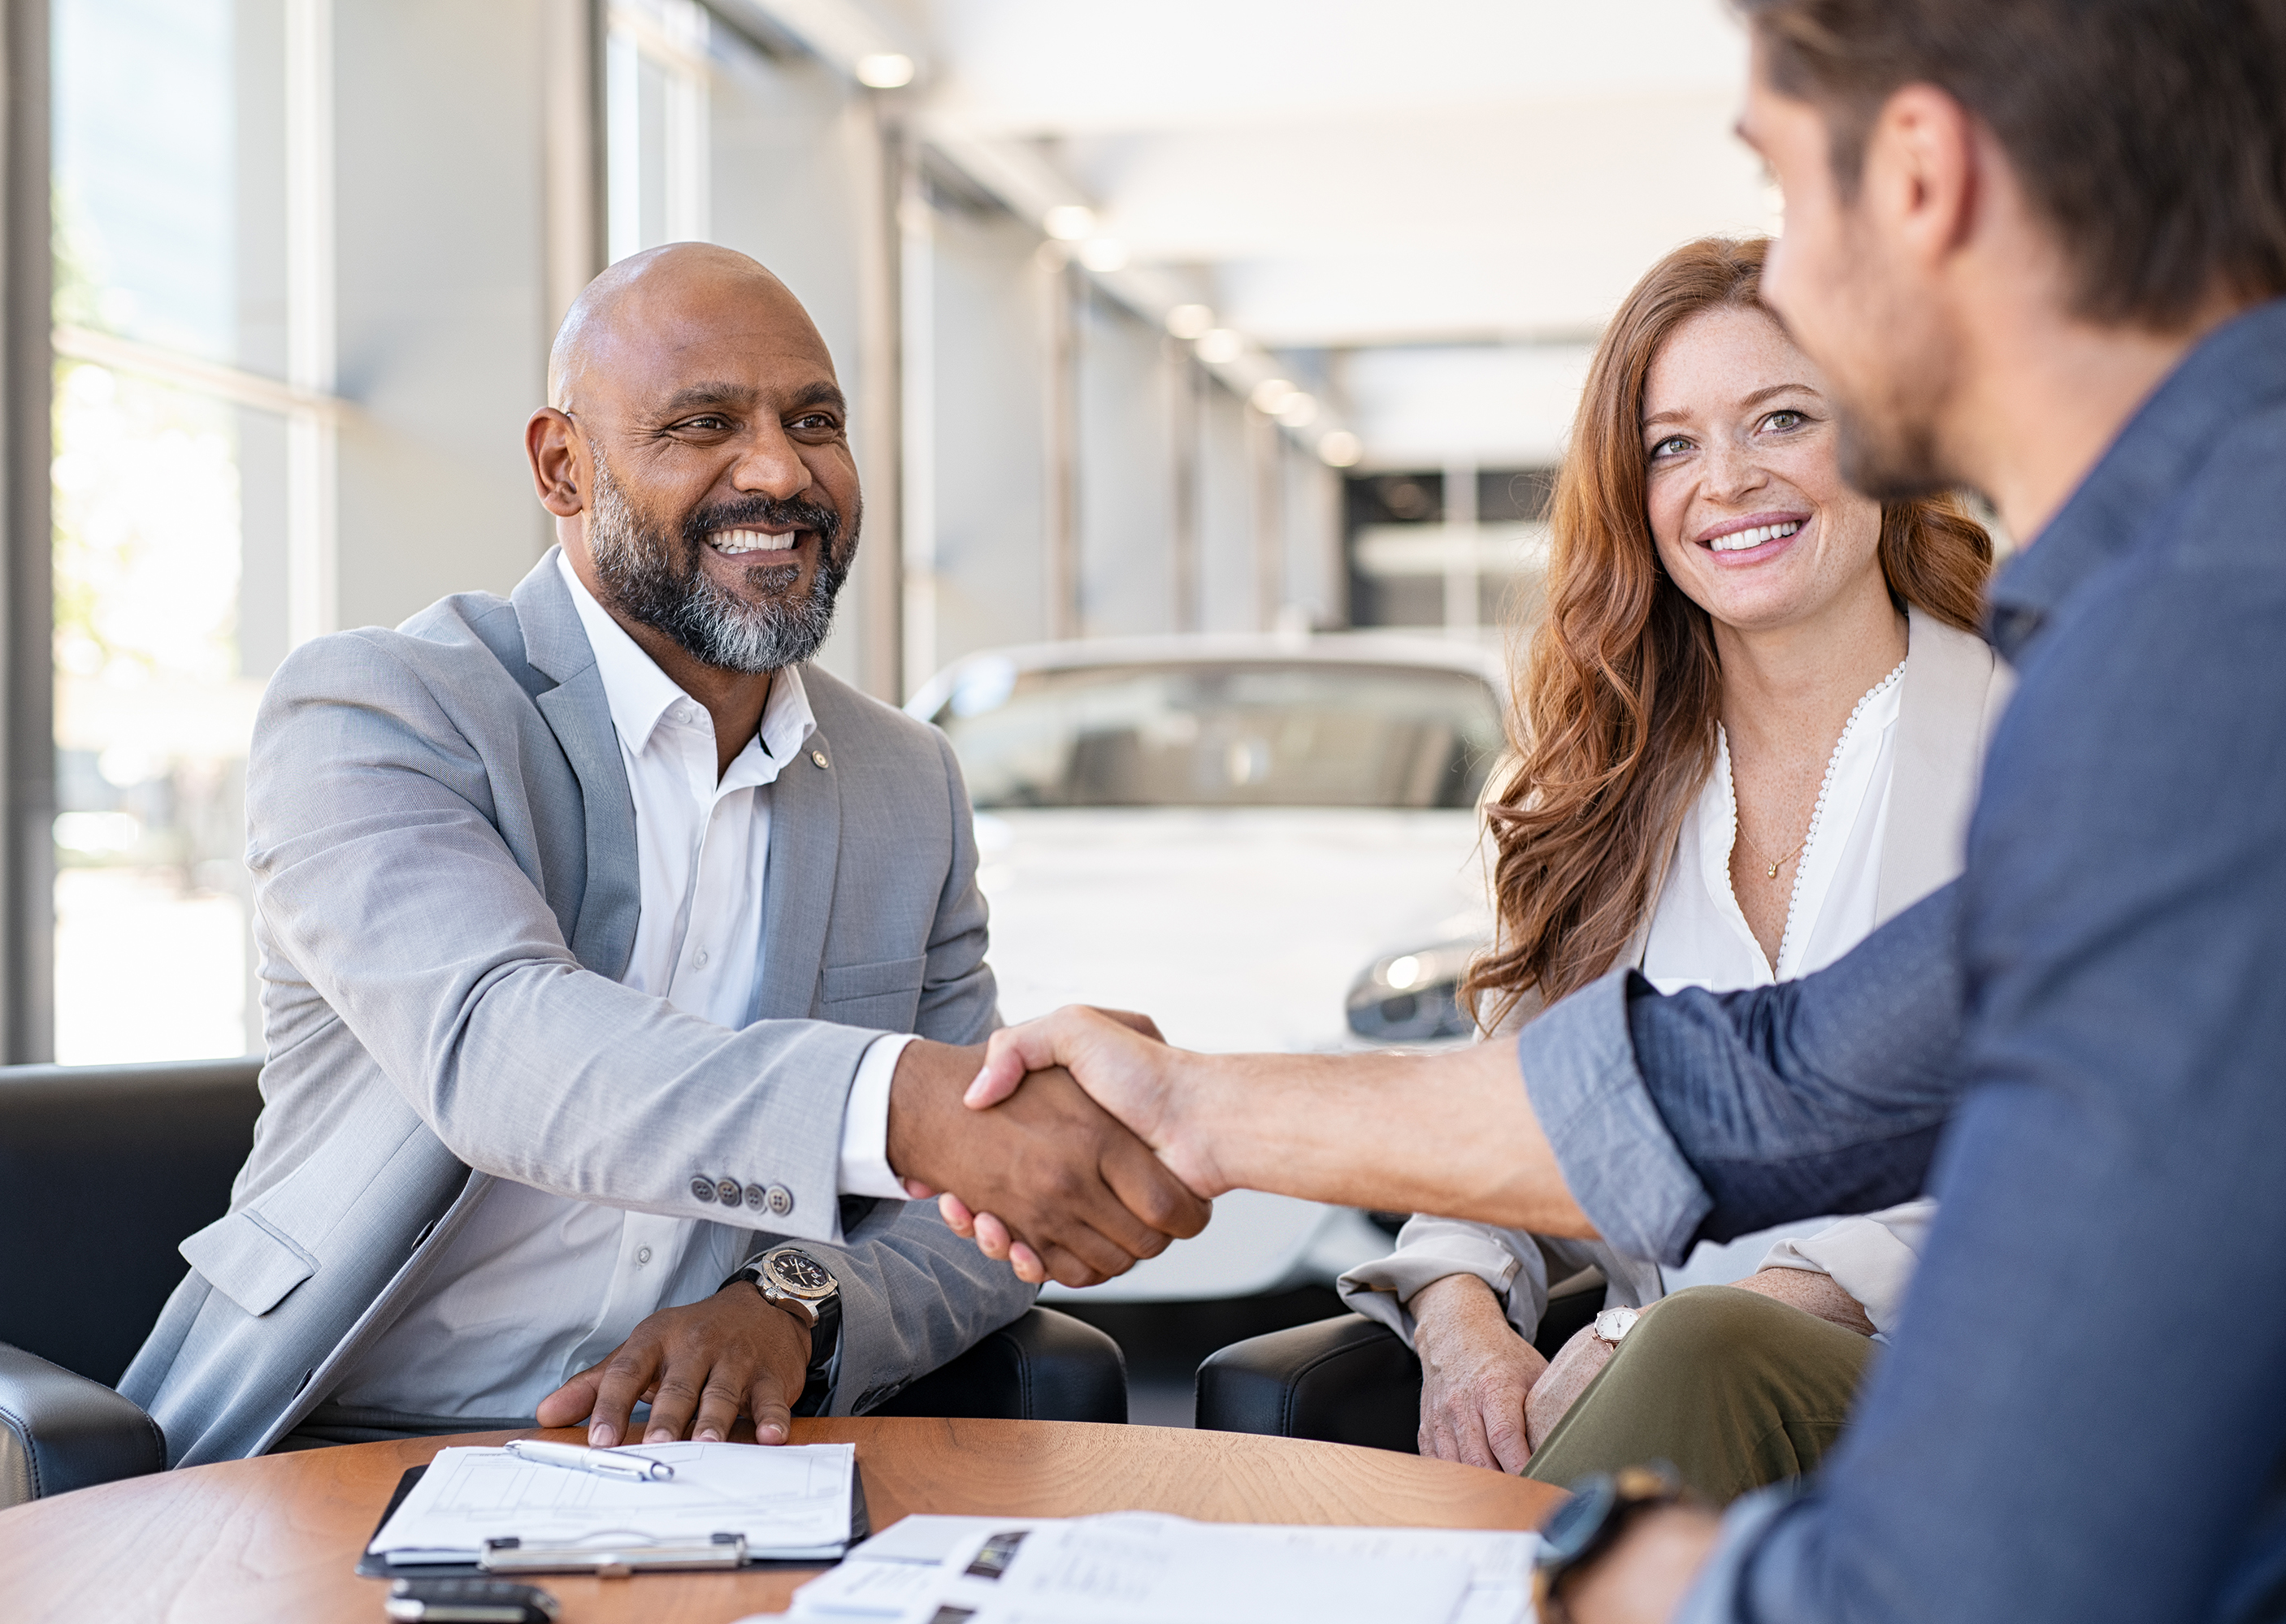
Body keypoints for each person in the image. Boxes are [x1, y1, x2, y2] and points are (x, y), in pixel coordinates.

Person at [944, 1, 2286, 1618]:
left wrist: (1593, 1564)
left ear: (1919, 176)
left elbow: (1982, 1558)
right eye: (1675, 444)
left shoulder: (2187, 658)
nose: (1789, 286)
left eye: (1785, 189)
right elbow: (1781, 1086)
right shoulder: (2167, 615)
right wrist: (1198, 1107)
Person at [119, 244, 1208, 1467]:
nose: (780, 472)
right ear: (563, 467)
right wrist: (898, 1106)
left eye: (815, 421)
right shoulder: (382, 712)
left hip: (704, 1458)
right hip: (329, 1434)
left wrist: (792, 1304)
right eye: (704, 425)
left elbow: (966, 1209)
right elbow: (500, 1045)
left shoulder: (907, 781)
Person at [1335, 235, 2011, 1503]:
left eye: (1784, 419)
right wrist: (1463, 1322)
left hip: (1964, 1396)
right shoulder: (1608, 786)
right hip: (1653, 1430)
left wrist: (1652, 1332)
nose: (1729, 482)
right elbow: (1510, 1115)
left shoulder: (2031, 736)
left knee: (1708, 1342)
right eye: (1672, 445)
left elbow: (2048, 1143)